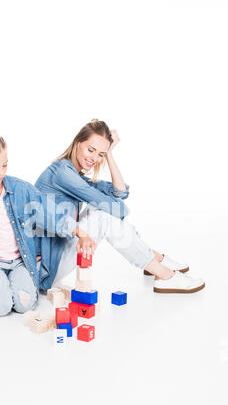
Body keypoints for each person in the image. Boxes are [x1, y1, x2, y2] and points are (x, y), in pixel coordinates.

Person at [35, 119, 205, 293]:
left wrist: (109, 154)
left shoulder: (73, 174)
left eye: (100, 154)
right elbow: (118, 208)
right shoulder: (62, 174)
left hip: (56, 257)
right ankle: (162, 272)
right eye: (90, 150)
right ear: (77, 143)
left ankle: (154, 259)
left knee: (100, 210)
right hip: (46, 269)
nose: (94, 158)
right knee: (103, 215)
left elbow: (119, 192)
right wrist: (116, 207)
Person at [0, 133, 73, 316]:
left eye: (5, 165)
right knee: (0, 309)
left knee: (24, 306)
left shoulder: (22, 189)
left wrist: (78, 231)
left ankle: (9, 285)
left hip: (21, 261)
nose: (1, 172)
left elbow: (51, 214)